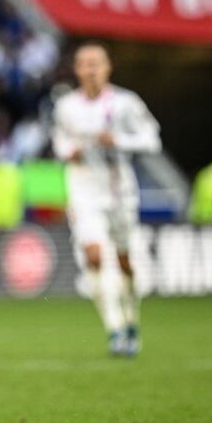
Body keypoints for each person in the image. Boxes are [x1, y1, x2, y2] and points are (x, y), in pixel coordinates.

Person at [52, 42, 162, 357]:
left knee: (126, 262)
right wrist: (66, 151)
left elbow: (152, 139)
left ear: (108, 67)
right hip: (83, 190)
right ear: (77, 70)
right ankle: (114, 328)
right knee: (95, 255)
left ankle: (131, 320)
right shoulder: (67, 106)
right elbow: (59, 140)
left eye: (96, 63)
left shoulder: (126, 103)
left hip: (120, 192)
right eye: (84, 63)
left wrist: (120, 140)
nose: (90, 69)